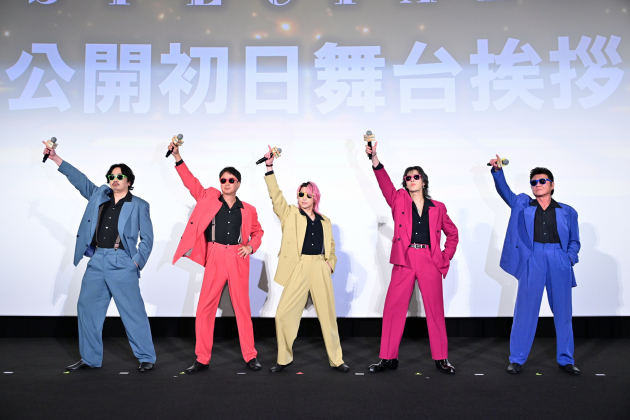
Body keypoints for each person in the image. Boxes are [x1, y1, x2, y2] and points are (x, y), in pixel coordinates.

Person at [41, 142, 156, 372]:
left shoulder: (139, 205)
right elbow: (80, 180)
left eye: (120, 176)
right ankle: (90, 358)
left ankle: (146, 357)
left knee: (133, 312)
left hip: (122, 262)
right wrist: (55, 158)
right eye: (111, 176)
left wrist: (136, 262)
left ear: (129, 181)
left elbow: (148, 238)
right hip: (97, 260)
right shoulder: (99, 195)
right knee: (87, 308)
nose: (115, 180)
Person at [168, 142, 263, 373]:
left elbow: (258, 232)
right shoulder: (208, 197)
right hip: (215, 255)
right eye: (223, 180)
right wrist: (178, 157)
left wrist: (250, 247)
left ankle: (250, 356)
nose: (226, 183)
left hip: (238, 257)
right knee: (205, 308)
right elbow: (191, 183)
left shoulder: (248, 209)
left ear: (238, 183)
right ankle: (202, 358)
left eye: (231, 180)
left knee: (242, 308)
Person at [365, 141, 459, 374]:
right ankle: (388, 358)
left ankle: (441, 358)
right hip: (405, 258)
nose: (412, 180)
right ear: (405, 183)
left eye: (416, 176)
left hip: (429, 259)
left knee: (435, 310)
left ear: (424, 181)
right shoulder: (398, 199)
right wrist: (375, 159)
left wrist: (444, 256)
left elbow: (453, 233)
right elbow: (384, 183)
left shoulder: (438, 207)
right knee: (393, 308)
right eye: (408, 178)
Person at [489, 155, 581, 375]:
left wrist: (569, 258)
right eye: (534, 182)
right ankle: (517, 359)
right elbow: (505, 192)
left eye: (542, 181)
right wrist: (498, 172)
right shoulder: (522, 204)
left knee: (563, 313)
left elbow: (574, 240)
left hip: (559, 258)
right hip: (533, 258)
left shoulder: (568, 211)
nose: (537, 184)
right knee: (525, 311)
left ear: (552, 185)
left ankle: (566, 359)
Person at [262, 146, 349, 373]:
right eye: (300, 194)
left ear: (315, 197)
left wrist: (330, 264)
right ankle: (284, 359)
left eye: (308, 195)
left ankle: (337, 359)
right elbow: (276, 197)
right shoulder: (290, 214)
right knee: (283, 314)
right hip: (299, 267)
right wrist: (269, 167)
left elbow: (331, 247)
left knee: (328, 317)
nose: (303, 198)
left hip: (320, 266)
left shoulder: (325, 221)